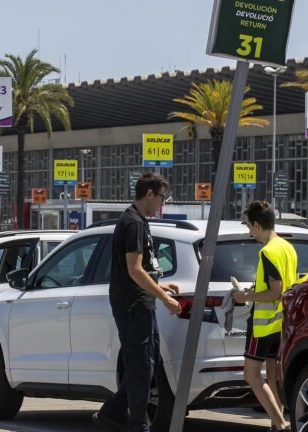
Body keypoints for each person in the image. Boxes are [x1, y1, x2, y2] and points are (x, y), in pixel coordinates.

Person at [93, 172, 181, 432]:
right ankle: (136, 424)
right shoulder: (132, 223)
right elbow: (133, 269)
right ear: (150, 194)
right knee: (141, 366)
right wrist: (164, 297)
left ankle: (112, 412)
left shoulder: (140, 221)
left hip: (142, 303)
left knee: (146, 365)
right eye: (161, 197)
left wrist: (160, 287)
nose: (162, 204)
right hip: (133, 306)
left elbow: (141, 269)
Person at [233, 201, 297, 432]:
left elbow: (274, 291)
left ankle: (280, 425)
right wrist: (254, 291)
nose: (250, 232)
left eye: (250, 226)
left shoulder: (267, 251)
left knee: (251, 375)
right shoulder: (287, 247)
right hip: (281, 322)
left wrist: (243, 297)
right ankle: (275, 423)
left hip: (263, 326)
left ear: (258, 225)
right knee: (272, 376)